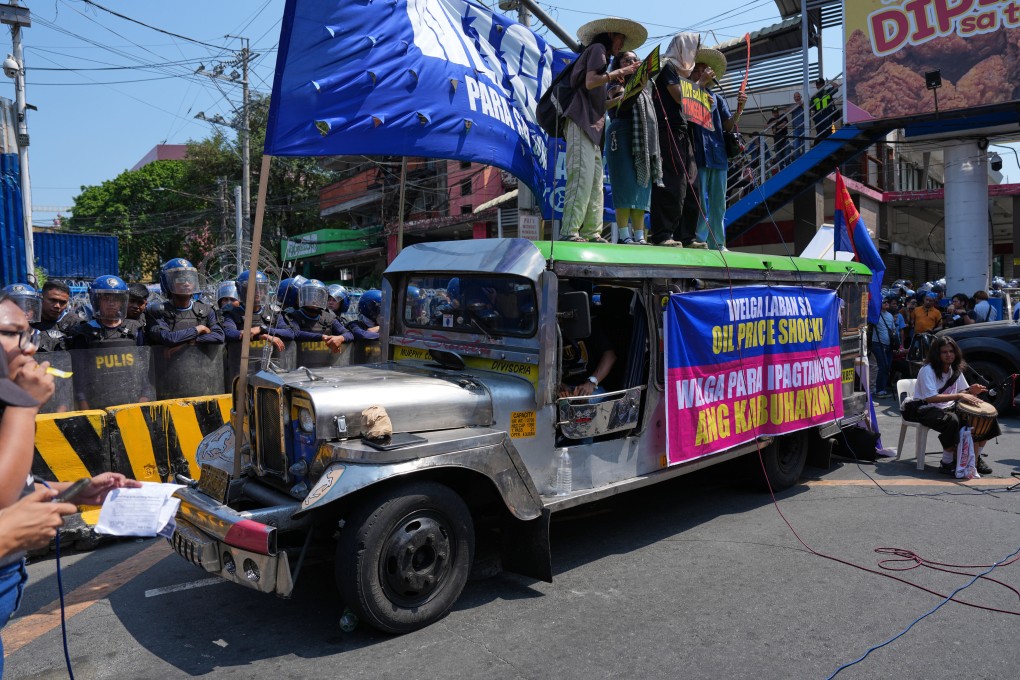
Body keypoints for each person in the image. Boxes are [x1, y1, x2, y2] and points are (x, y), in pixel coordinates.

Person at [558, 17, 644, 243]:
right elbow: (590, 82)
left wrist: (618, 99)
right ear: (610, 36)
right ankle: (570, 231)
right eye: (620, 39)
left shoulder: (602, 59)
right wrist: (620, 72)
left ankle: (591, 233)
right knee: (582, 178)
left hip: (594, 127)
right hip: (580, 121)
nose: (621, 44)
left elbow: (599, 102)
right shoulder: (597, 49)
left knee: (595, 183)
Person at [901, 336, 998, 475]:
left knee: (986, 417)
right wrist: (960, 395)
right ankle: (946, 463)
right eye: (944, 352)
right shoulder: (927, 370)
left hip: (948, 406)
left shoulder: (955, 369)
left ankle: (976, 459)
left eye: (951, 351)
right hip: (924, 408)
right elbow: (931, 397)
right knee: (952, 420)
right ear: (937, 354)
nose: (949, 355)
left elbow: (961, 391)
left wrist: (971, 391)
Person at [688, 47, 746, 251]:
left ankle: (719, 243)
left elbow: (728, 126)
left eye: (705, 69)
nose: (703, 72)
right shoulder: (688, 92)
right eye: (698, 69)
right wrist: (699, 88)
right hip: (700, 155)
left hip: (718, 155)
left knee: (719, 203)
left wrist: (739, 110)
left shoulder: (717, 98)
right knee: (702, 203)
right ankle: (700, 240)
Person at [649, 32, 704, 248]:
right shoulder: (667, 67)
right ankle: (663, 234)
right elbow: (678, 95)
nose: (695, 53)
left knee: (692, 184)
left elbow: (690, 104)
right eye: (694, 48)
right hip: (667, 130)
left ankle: (687, 236)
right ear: (684, 47)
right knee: (672, 181)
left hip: (682, 130)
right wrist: (699, 85)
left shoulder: (683, 74)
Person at [605, 50, 661, 245]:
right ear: (619, 66)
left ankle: (639, 235)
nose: (633, 61)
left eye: (635, 59)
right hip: (620, 134)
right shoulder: (615, 85)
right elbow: (622, 103)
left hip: (643, 138)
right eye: (626, 60)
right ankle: (624, 234)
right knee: (624, 185)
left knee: (641, 187)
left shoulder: (646, 89)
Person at [145, 258, 224, 347]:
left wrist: (193, 341)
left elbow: (219, 336)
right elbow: (168, 338)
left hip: (199, 360)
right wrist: (199, 329)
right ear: (168, 283)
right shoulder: (158, 311)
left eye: (190, 280)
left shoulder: (206, 310)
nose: (186, 283)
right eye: (180, 279)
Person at [66, 276, 145, 350]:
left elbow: (142, 358)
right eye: (106, 298)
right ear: (97, 301)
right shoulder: (83, 331)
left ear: (122, 302)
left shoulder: (135, 328)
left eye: (116, 299)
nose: (111, 303)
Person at [277, 279, 353, 351]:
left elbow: (349, 334)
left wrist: (341, 338)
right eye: (310, 297)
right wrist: (322, 337)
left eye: (318, 298)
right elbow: (295, 333)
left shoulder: (329, 317)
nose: (314, 301)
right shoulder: (293, 316)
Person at [221, 270, 287, 353]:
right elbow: (229, 333)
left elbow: (289, 333)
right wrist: (262, 337)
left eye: (261, 288)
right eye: (254, 288)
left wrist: (263, 329)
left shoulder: (273, 312)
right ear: (243, 291)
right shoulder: (232, 313)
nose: (258, 292)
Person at [871, 296, 898, 398]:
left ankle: (881, 388)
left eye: (887, 302)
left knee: (887, 367)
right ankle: (879, 390)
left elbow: (893, 330)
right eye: (884, 302)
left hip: (889, 344)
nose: (886, 303)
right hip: (878, 343)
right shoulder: (875, 315)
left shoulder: (890, 316)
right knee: (883, 366)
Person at [767, 106, 789, 170]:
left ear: (778, 112)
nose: (775, 114)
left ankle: (789, 170)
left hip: (785, 140)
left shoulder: (783, 116)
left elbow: (784, 123)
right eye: (774, 112)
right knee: (779, 159)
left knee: (787, 158)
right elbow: (766, 126)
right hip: (777, 142)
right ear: (772, 113)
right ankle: (783, 172)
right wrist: (774, 122)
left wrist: (776, 127)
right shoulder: (771, 120)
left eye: (776, 112)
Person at [790, 91, 805, 160]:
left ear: (801, 97)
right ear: (794, 98)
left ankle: (805, 161)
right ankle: (798, 161)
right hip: (796, 129)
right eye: (795, 97)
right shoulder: (793, 106)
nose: (797, 98)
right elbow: (786, 111)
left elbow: (809, 111)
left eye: (798, 96)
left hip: (805, 128)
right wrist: (796, 105)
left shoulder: (805, 104)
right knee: (796, 147)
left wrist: (801, 104)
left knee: (805, 147)